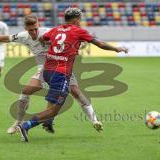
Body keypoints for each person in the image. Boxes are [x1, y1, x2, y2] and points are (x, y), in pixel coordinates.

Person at [0, 14, 102, 134]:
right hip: (43, 70)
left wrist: (79, 46)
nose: (33, 32)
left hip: (60, 67)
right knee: (26, 91)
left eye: (35, 29)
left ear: (39, 25)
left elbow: (68, 38)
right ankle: (18, 123)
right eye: (30, 30)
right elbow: (8, 38)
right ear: (25, 29)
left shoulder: (49, 32)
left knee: (75, 91)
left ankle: (94, 120)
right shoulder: (23, 36)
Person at [18, 8, 128, 142]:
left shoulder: (56, 29)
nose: (80, 22)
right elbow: (100, 44)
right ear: (76, 19)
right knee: (54, 110)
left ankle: (48, 122)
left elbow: (41, 38)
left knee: (59, 100)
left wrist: (53, 46)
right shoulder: (78, 31)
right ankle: (26, 125)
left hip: (47, 71)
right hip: (60, 73)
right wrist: (117, 48)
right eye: (80, 20)